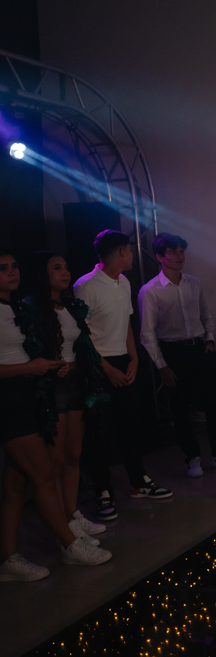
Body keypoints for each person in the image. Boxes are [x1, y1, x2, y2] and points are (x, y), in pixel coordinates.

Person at [0, 248, 111, 580]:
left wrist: (47, 367)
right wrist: (30, 368)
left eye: (14, 266)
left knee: (15, 485)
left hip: (28, 393)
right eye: (3, 268)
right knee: (45, 475)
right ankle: (69, 544)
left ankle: (8, 560)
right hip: (9, 399)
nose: (12, 272)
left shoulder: (15, 308)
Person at [75, 230, 171, 521]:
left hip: (123, 359)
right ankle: (103, 492)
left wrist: (133, 358)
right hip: (97, 365)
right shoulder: (86, 286)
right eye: (129, 250)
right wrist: (108, 369)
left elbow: (127, 322)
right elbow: (81, 336)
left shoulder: (124, 282)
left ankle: (138, 481)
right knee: (99, 432)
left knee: (131, 424)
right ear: (120, 252)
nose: (131, 255)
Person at [23, 252, 113, 547]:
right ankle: (63, 523)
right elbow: (30, 348)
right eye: (57, 268)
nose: (65, 272)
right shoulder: (31, 308)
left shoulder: (72, 306)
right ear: (42, 274)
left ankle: (73, 514)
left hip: (77, 383)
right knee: (57, 458)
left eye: (66, 267)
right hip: (54, 386)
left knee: (74, 453)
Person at [139, 233, 216, 478]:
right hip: (173, 351)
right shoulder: (150, 290)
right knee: (179, 408)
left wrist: (210, 339)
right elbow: (147, 333)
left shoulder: (194, 283)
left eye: (181, 251)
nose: (179, 256)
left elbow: (206, 315)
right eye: (173, 252)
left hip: (199, 347)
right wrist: (162, 365)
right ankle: (192, 458)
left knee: (212, 403)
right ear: (160, 257)